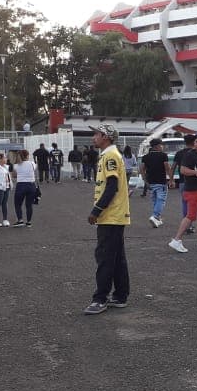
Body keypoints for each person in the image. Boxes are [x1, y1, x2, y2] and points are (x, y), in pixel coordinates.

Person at [85, 123, 130, 315]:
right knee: (117, 257)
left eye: (96, 134)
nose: (93, 137)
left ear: (106, 137)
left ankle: (100, 298)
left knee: (104, 257)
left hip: (110, 215)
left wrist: (96, 210)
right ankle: (120, 295)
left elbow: (112, 186)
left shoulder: (110, 156)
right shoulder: (109, 154)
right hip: (115, 215)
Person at [141, 138, 171, 227]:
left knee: (155, 200)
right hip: (161, 181)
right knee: (161, 200)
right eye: (162, 145)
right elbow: (167, 167)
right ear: (158, 146)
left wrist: (145, 180)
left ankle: (157, 219)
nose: (162, 147)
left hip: (150, 181)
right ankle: (155, 216)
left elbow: (142, 169)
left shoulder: (145, 157)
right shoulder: (163, 155)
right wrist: (171, 179)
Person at [12, 149, 38, 227]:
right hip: (31, 185)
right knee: (29, 205)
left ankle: (20, 220)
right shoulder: (32, 163)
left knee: (18, 204)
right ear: (27, 156)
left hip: (21, 185)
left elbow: (14, 175)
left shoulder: (16, 165)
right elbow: (34, 170)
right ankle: (29, 222)